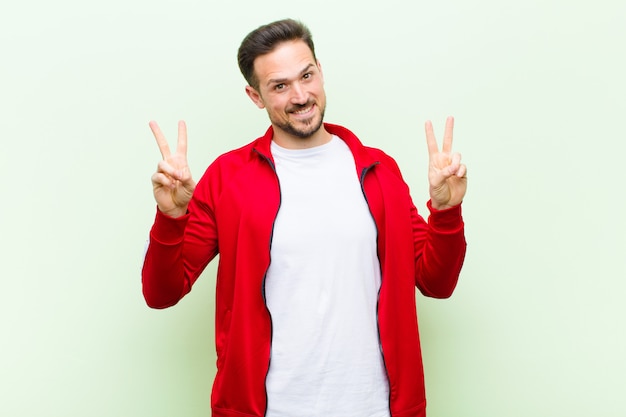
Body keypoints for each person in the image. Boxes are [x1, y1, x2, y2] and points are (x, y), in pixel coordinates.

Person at [142, 18, 467, 417]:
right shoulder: (228, 178)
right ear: (255, 96)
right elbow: (162, 293)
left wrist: (447, 212)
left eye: (307, 75)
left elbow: (436, 282)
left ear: (320, 71)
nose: (300, 95)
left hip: (372, 406)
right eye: (279, 86)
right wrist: (171, 217)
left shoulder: (379, 170)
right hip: (268, 408)